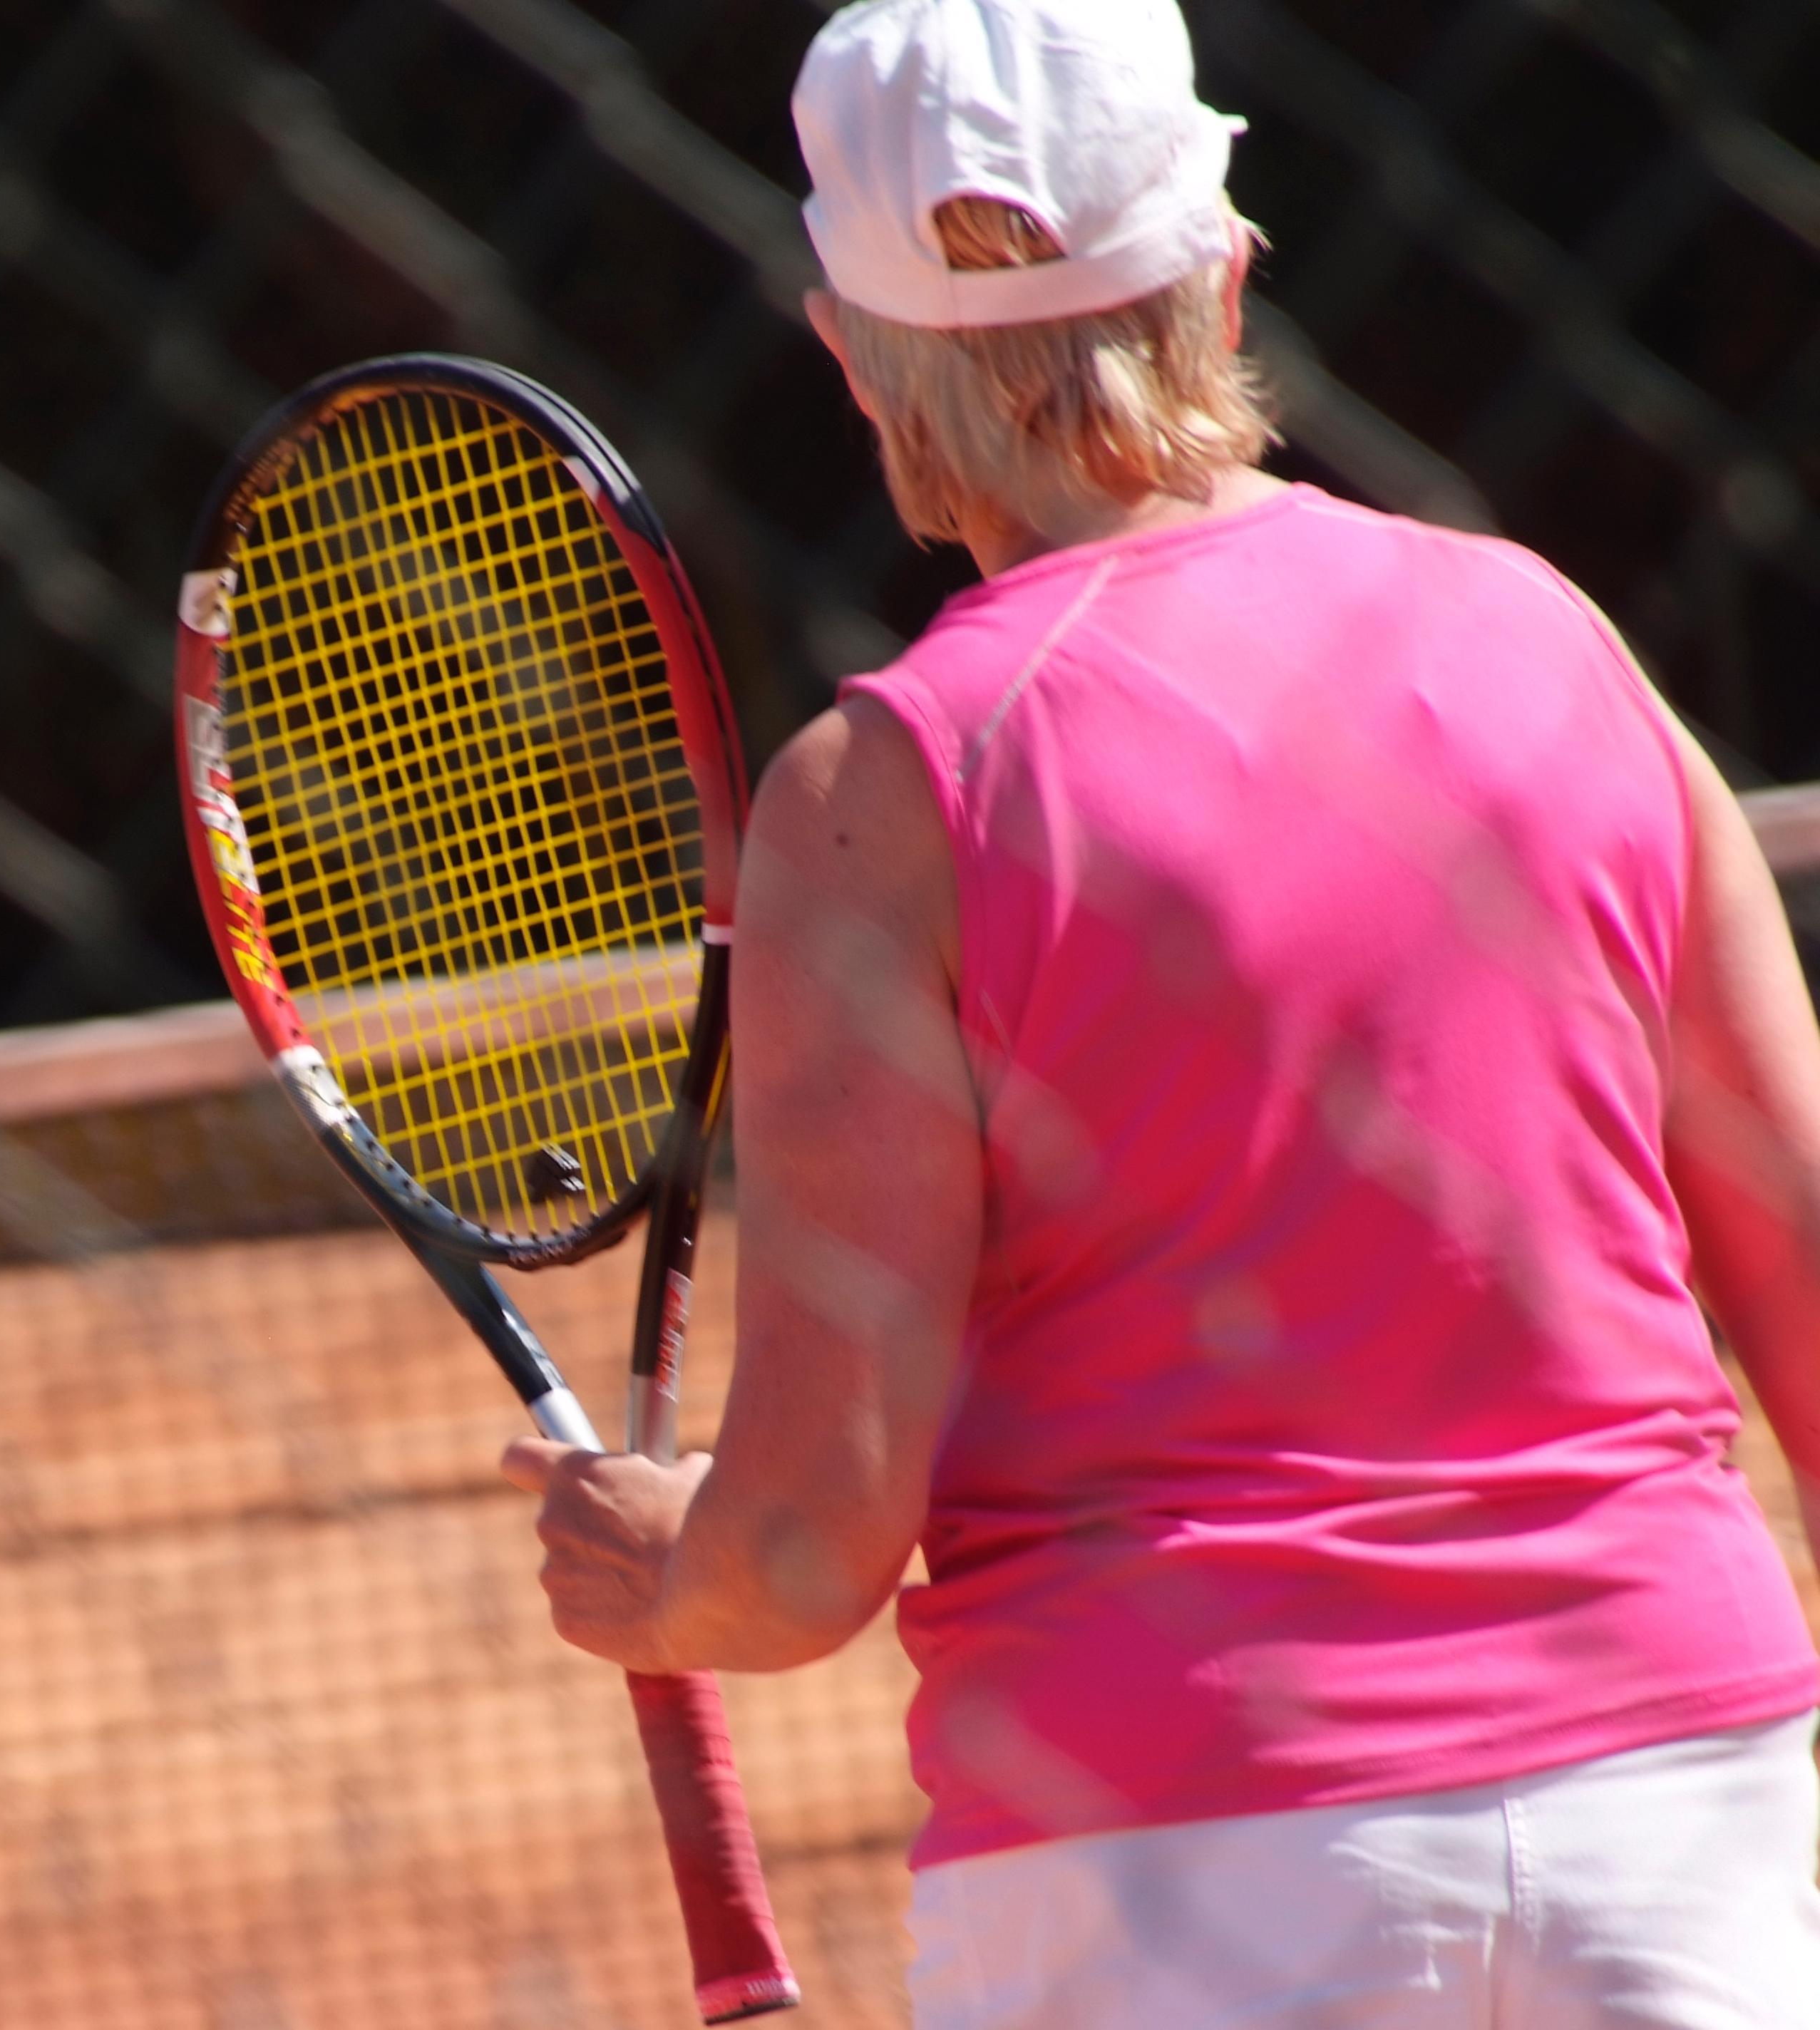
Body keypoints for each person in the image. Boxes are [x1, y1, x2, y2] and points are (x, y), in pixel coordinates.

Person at [503, 1, 1820, 2021]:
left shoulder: (891, 799)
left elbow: (802, 1553)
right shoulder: (1554, 641)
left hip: (1176, 1860)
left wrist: (657, 1563)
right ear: (1225, 267)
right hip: (1687, 1808)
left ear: (853, 353)